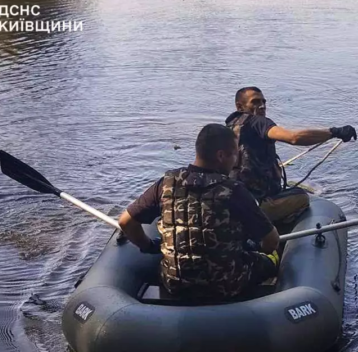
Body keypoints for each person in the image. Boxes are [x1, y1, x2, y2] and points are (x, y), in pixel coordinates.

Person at [118, 123, 280, 302]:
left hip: (174, 282)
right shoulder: (234, 190)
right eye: (235, 155)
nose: (236, 161)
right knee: (270, 260)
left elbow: (126, 222)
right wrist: (256, 247)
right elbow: (271, 241)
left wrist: (148, 246)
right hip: (225, 285)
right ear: (221, 156)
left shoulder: (166, 183)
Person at [224, 86, 357, 224]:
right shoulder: (258, 122)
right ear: (240, 106)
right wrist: (334, 132)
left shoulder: (229, 126)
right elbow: (294, 137)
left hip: (238, 200)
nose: (262, 106)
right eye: (255, 102)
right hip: (257, 205)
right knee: (301, 196)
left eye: (264, 102)